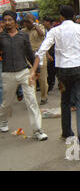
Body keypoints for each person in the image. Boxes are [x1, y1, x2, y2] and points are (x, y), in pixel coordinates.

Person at [30, 5, 80, 154]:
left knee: (65, 101)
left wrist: (35, 69)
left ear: (61, 17)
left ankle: (67, 133)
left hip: (63, 72)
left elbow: (41, 50)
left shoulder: (55, 31)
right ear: (74, 15)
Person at [0, 10, 48, 141]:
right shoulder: (1, 37)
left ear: (15, 21)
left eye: (10, 20)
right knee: (6, 103)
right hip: (7, 73)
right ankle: (3, 121)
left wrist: (36, 70)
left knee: (31, 100)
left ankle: (38, 130)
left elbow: (29, 54)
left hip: (24, 72)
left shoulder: (23, 36)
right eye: (5, 20)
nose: (8, 22)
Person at [22, 14, 48, 105]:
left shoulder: (39, 27)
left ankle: (44, 97)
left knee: (42, 78)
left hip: (39, 55)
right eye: (25, 22)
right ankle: (32, 100)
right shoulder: (23, 31)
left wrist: (33, 24)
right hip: (28, 57)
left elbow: (42, 34)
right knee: (30, 78)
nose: (26, 24)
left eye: (28, 22)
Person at [43, 16, 56, 92]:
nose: (44, 23)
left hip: (54, 52)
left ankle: (51, 84)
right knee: (50, 69)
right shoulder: (44, 31)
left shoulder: (53, 31)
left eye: (45, 21)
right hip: (48, 52)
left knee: (52, 69)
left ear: (49, 22)